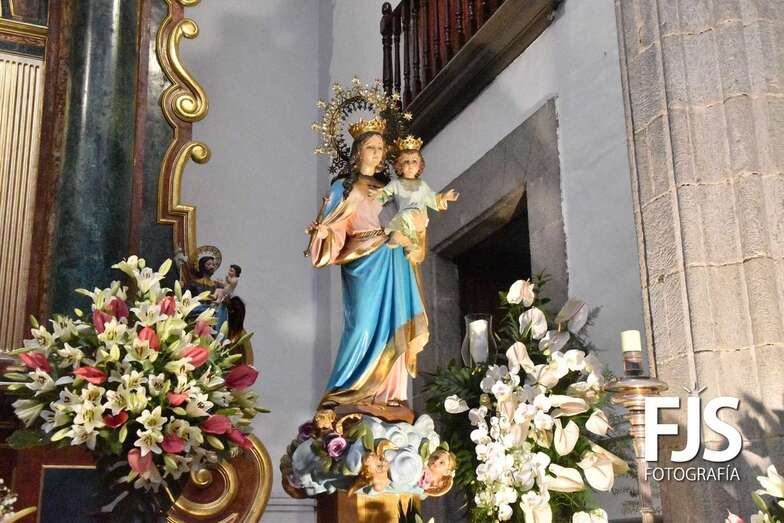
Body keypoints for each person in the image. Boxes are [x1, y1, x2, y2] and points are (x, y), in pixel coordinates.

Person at [307, 117, 428, 410]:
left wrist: (413, 234)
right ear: (358, 151)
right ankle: (347, 391)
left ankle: (391, 396)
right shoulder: (344, 187)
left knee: (396, 324)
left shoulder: (391, 187)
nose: (377, 153)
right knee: (361, 325)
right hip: (363, 262)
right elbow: (334, 226)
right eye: (371, 147)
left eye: (380, 148)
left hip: (394, 259)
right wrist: (323, 234)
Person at [381, 135, 459, 264]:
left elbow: (431, 198)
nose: (410, 165)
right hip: (404, 217)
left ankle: (399, 237)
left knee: (405, 216)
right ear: (399, 166)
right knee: (402, 218)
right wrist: (376, 195)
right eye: (406, 162)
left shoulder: (422, 185)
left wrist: (444, 197)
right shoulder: (396, 184)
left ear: (419, 165)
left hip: (419, 216)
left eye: (414, 161)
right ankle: (407, 243)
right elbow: (384, 194)